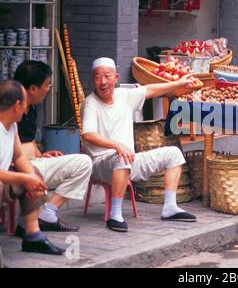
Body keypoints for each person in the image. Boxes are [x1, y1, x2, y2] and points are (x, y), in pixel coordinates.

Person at [82, 57, 197, 233]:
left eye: (107, 76)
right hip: (101, 164)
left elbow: (150, 90)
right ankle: (115, 214)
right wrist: (117, 146)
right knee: (123, 158)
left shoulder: (124, 95)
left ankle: (170, 207)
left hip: (128, 159)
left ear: (116, 77)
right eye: (98, 77)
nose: (103, 82)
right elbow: (88, 135)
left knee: (174, 154)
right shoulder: (90, 103)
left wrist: (177, 84)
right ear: (93, 79)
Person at [14, 61, 93, 234]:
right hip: (17, 169)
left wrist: (41, 155)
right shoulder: (11, 110)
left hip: (34, 163)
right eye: (46, 85)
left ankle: (47, 213)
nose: (48, 89)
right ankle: (29, 222)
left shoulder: (31, 109)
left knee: (84, 162)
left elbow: (26, 139)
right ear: (33, 89)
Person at [0, 80, 65, 255]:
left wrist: (32, 178)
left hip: (5, 178)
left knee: (32, 172)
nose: (27, 108)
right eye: (25, 103)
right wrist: (24, 178)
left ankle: (33, 236)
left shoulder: (12, 125)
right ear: (16, 105)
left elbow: (19, 156)